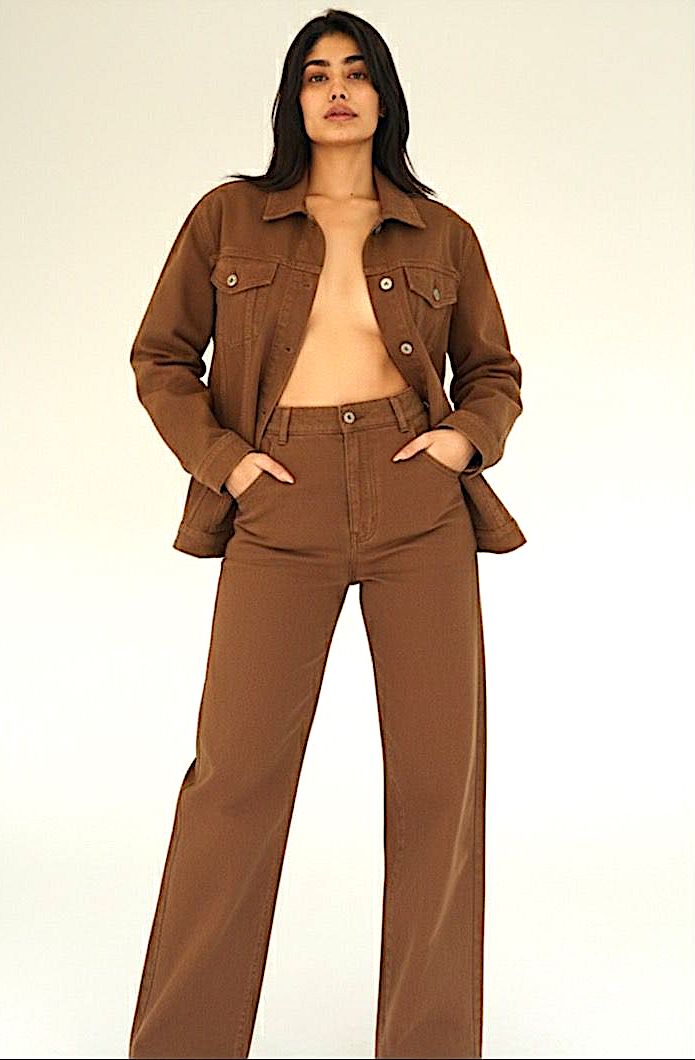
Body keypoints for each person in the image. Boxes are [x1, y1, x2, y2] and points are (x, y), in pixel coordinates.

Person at [127, 8, 525, 1059]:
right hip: (279, 500)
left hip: (416, 506)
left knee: (438, 787)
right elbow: (161, 358)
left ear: (383, 97)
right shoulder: (228, 217)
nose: (336, 89)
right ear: (293, 99)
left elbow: (493, 372)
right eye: (315, 74)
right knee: (234, 781)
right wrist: (227, 462)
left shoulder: (441, 232)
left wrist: (462, 441)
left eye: (355, 72)